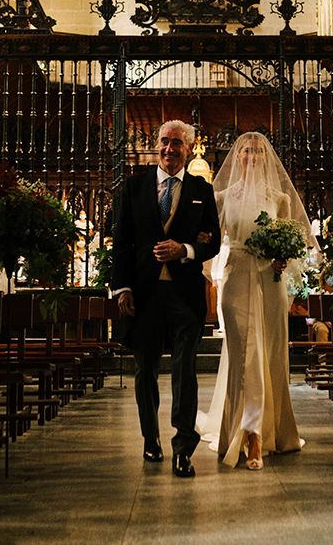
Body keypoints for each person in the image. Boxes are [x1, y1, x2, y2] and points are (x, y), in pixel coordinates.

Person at [197, 132, 318, 470]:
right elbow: (207, 241)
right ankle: (250, 434)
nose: (252, 156)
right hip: (236, 279)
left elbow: (297, 241)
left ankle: (273, 430)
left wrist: (283, 258)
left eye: (258, 152)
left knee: (270, 355)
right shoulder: (222, 197)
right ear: (237, 158)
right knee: (244, 355)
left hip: (270, 279)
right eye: (246, 151)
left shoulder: (279, 199)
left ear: (267, 158)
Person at [112, 119, 220, 478]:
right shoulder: (134, 186)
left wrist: (185, 249)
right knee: (146, 371)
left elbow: (212, 242)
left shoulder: (201, 190)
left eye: (177, 143)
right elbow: (123, 242)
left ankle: (183, 449)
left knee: (185, 371)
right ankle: (150, 439)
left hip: (185, 295)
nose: (169, 149)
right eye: (164, 141)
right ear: (155, 145)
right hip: (142, 294)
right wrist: (122, 287)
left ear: (188, 149)